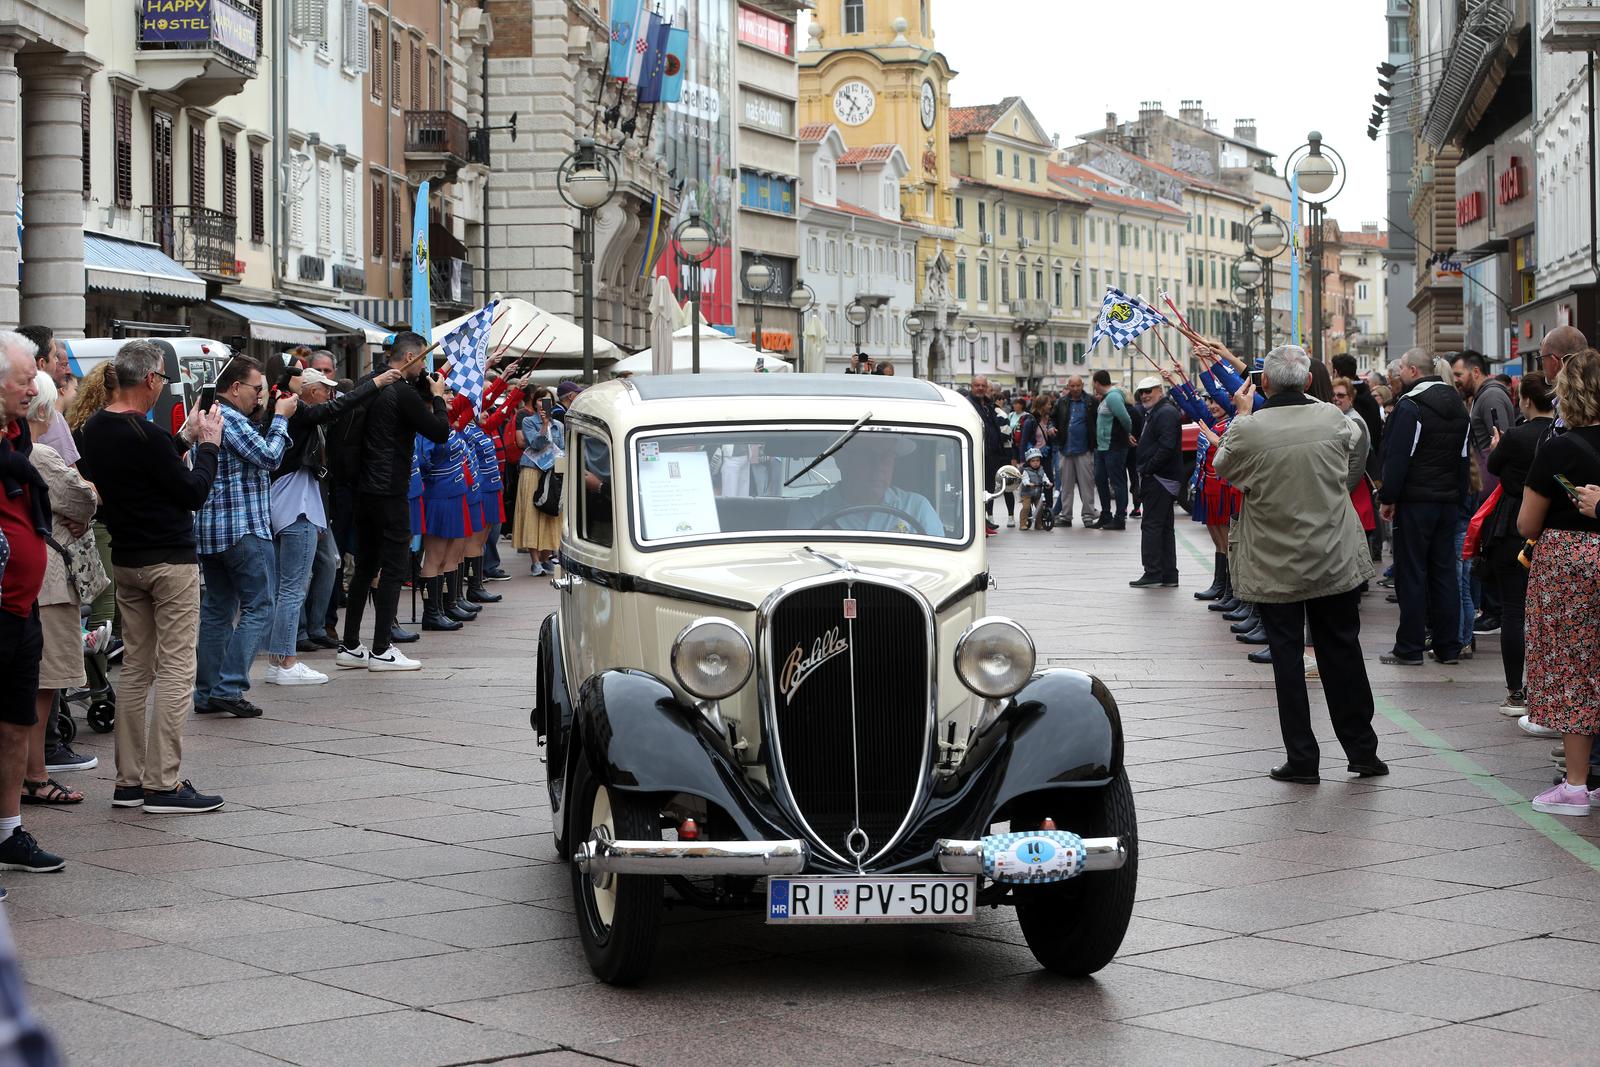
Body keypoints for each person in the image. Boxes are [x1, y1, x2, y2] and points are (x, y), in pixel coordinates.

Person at [1212, 344, 1383, 783]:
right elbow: (1354, 454)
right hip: (1332, 554)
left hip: (1275, 558)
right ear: (1308, 381)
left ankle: (1303, 759)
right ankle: (1363, 751)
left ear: (1264, 383)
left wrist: (1243, 415)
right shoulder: (1332, 418)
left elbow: (1224, 466)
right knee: (1342, 651)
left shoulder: (1251, 429)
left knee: (1287, 659)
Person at [76, 339, 226, 813]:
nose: (162, 385)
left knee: (137, 668)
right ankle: (164, 783)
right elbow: (192, 492)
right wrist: (208, 446)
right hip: (169, 561)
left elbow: (149, 469)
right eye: (162, 377)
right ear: (149, 380)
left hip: (128, 558)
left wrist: (182, 437)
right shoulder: (146, 434)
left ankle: (129, 782)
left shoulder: (94, 428)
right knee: (178, 666)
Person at [265, 366, 396, 685]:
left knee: (288, 586)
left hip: (289, 503)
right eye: (321, 386)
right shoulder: (295, 411)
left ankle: (279, 660)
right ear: (300, 388)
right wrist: (376, 383)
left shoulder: (283, 411)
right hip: (297, 506)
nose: (328, 393)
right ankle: (287, 662)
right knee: (292, 588)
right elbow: (336, 407)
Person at [338, 333, 449, 671]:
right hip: (389, 489)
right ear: (411, 356)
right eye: (422, 360)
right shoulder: (400, 391)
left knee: (366, 566)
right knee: (394, 566)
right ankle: (382, 648)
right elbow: (439, 432)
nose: (424, 368)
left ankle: (351, 645)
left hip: (363, 488)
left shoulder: (368, 383)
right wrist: (438, 396)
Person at [1520, 350, 1600, 816]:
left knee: (1572, 667)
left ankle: (1576, 785)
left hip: (1569, 563)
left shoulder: (1557, 448)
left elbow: (1528, 523)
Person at [0, 336, 70, 871]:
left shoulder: (16, 439)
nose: (34, 388)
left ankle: (8, 833)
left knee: (15, 723)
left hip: (22, 608)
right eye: (25, 380)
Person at [193, 356, 294, 717]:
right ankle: (229, 686)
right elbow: (270, 457)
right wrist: (281, 417)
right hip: (243, 528)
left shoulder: (209, 415)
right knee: (259, 606)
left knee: (218, 609)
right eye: (256, 389)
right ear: (235, 387)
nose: (260, 396)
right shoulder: (229, 417)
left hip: (213, 531)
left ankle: (207, 692)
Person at [24, 371, 100, 805]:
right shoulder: (39, 455)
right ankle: (35, 774)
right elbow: (84, 499)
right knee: (43, 684)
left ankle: (28, 774)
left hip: (30, 578)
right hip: (48, 582)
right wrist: (85, 503)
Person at [1379, 347, 1470, 666]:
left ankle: (1409, 646)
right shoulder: (1458, 405)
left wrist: (1388, 497)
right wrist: (1459, 497)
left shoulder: (1410, 405)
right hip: (1447, 501)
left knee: (1412, 573)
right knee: (1444, 573)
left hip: (1416, 501)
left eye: (1402, 368)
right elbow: (1463, 457)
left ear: (1413, 371)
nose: (1399, 373)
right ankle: (1448, 646)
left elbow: (1398, 457)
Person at [1484, 373, 1554, 719]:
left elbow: (1493, 466)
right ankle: (1548, 693)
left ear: (1525, 400)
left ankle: (1516, 691)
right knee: (1551, 614)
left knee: (1513, 610)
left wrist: (1498, 446)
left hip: (1513, 523)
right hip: (1555, 524)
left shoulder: (1515, 436)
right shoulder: (1560, 434)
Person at [787, 434, 942, 535]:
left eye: (887, 456)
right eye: (867, 455)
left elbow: (939, 562)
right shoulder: (809, 512)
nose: (878, 466)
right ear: (842, 460)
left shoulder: (917, 508)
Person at [1131, 375, 1183, 588]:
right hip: (1161, 477)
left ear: (1160, 391)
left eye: (1149, 391)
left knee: (1152, 525)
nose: (1144, 395)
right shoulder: (1159, 411)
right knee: (1163, 527)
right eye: (1142, 392)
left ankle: (1153, 571)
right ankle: (1168, 573)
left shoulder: (1165, 412)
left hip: (1159, 478)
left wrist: (1148, 469)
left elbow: (1166, 447)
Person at [1051, 376, 1099, 527]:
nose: (1076, 389)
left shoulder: (1091, 401)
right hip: (1065, 449)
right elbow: (1052, 418)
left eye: (1078, 385)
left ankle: (1088, 515)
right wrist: (1051, 427)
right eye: (1072, 386)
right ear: (1068, 386)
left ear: (1082, 385)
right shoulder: (1061, 402)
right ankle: (1066, 516)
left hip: (1084, 449)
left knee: (1087, 485)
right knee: (1066, 486)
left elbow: (1097, 421)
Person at [1090, 370, 1132, 530]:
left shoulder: (1113, 397)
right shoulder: (1106, 398)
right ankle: (1106, 514)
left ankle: (1120, 518)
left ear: (1096, 383)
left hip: (1113, 447)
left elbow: (1125, 419)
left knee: (1117, 482)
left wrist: (1127, 434)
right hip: (1102, 447)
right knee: (1100, 480)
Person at [968, 377, 1006, 535]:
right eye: (977, 385)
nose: (980, 388)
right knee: (978, 491)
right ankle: (978, 525)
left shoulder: (988, 404)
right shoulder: (969, 404)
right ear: (971, 386)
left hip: (992, 455)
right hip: (978, 454)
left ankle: (984, 521)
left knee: (988, 490)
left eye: (983, 386)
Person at [1016, 448, 1051, 530]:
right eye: (1033, 461)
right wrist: (1028, 483)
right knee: (1026, 507)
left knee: (1040, 508)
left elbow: (1045, 478)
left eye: (1037, 461)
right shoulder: (1026, 471)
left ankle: (1038, 524)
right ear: (1029, 462)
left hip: (1037, 493)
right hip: (1027, 494)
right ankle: (1022, 524)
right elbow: (1024, 479)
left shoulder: (1041, 470)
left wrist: (1048, 483)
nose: (1036, 463)